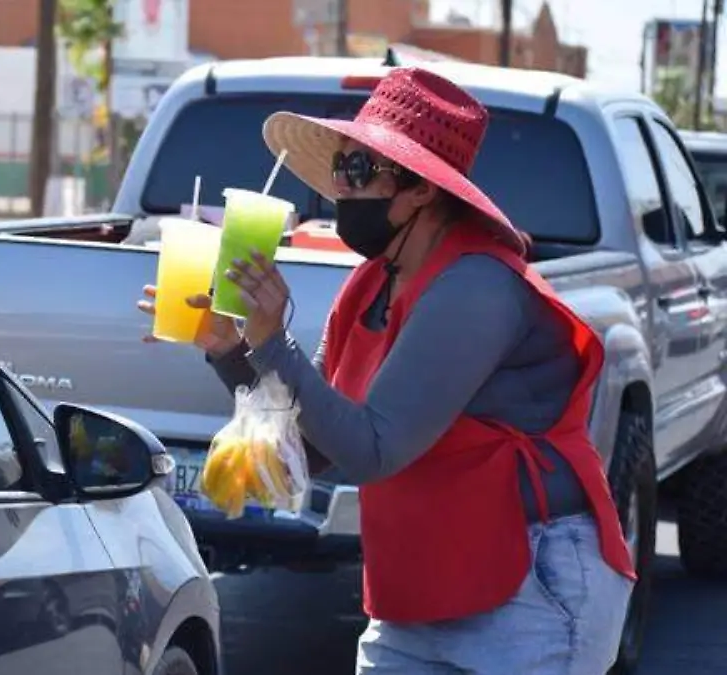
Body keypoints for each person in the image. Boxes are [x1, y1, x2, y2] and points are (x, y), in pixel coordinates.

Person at [137, 67, 636, 673]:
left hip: (530, 587)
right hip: (425, 584)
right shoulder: (372, 283)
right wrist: (228, 348)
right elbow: (305, 445)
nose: (339, 189)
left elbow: (373, 450)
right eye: (339, 168)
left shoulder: (477, 286)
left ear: (422, 189)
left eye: (358, 170)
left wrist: (273, 342)